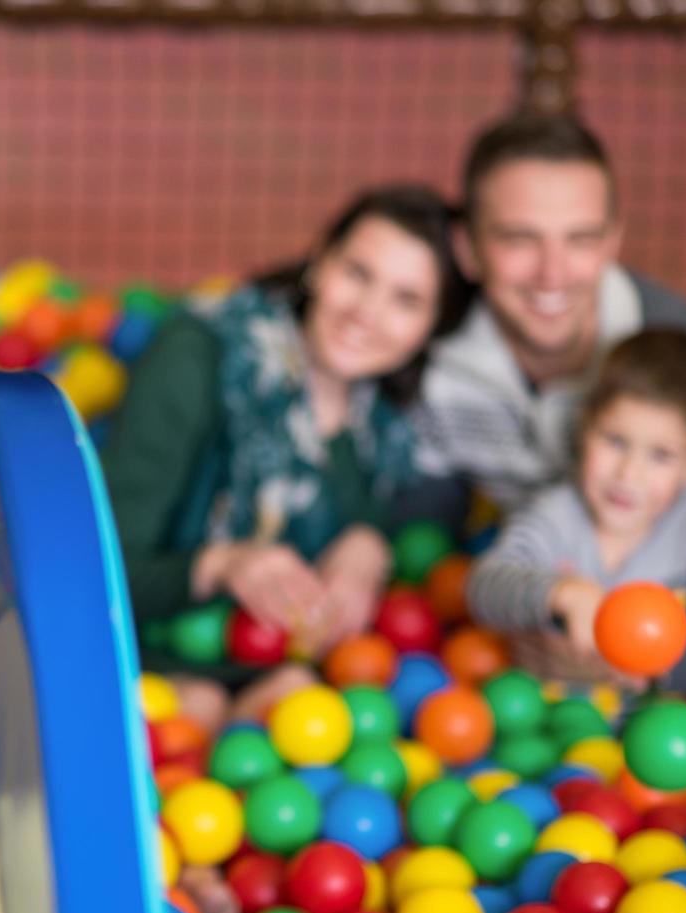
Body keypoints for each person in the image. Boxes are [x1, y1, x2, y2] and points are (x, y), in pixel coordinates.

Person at [101, 184, 470, 652]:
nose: (367, 313)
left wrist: (368, 545)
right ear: (319, 263)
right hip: (154, 667)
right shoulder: (199, 356)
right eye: (357, 273)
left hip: (297, 686)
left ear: (431, 326)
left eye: (406, 300)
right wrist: (221, 565)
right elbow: (93, 573)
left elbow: (390, 519)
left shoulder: (383, 418)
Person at [417, 112, 686, 522]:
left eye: (581, 239)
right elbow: (417, 519)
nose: (552, 273)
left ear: (612, 241)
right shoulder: (430, 361)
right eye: (520, 239)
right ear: (467, 248)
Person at [467, 329, 686, 689]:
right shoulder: (554, 516)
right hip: (542, 719)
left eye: (661, 456)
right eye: (614, 441)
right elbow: (482, 590)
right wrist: (559, 593)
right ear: (584, 427)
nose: (628, 474)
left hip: (656, 730)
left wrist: (645, 667)